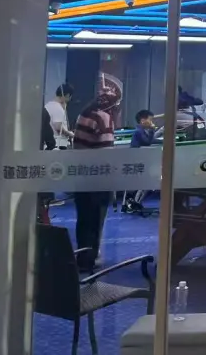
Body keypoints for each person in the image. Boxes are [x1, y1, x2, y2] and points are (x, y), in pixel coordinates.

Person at [72, 83, 121, 271]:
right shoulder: (104, 118)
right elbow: (106, 154)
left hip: (81, 176)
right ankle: (89, 260)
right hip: (98, 178)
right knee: (96, 221)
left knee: (84, 220)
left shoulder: (84, 114)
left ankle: (82, 256)